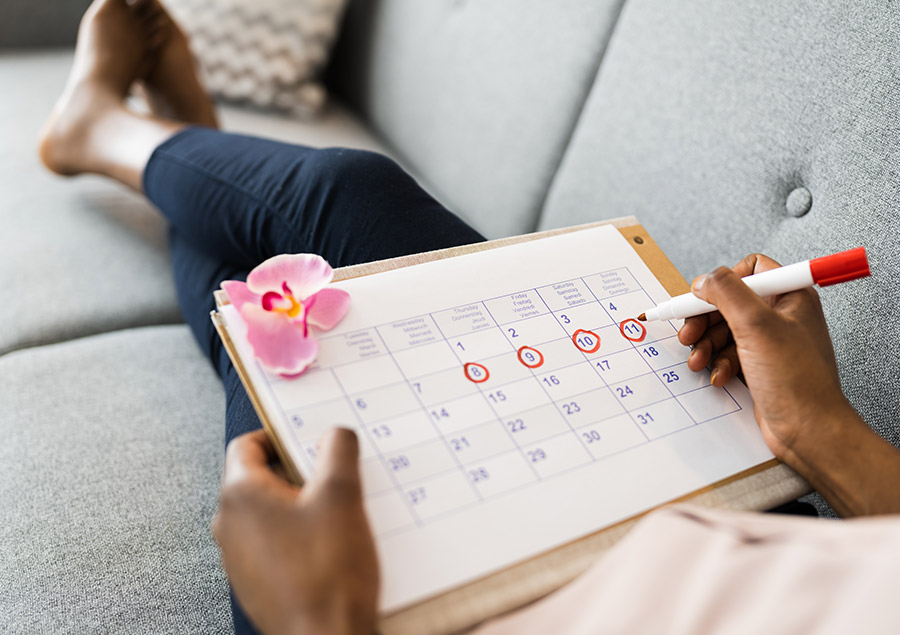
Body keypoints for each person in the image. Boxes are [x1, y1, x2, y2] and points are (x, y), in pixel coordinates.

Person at [41, 1, 900, 633]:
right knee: (346, 207)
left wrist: (317, 621)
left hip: (470, 607)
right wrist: (820, 429)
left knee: (283, 313)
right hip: (747, 536)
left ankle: (136, 139)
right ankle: (166, 146)